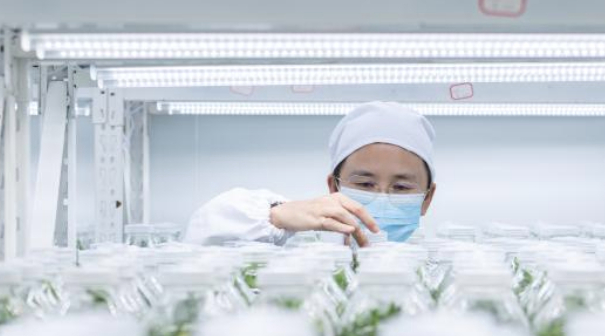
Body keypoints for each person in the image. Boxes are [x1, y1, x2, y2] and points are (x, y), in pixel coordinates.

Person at [183, 102, 437, 247]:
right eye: (365, 183)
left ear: (427, 198)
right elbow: (200, 235)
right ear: (334, 188)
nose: (382, 198)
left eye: (402, 188)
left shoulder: (444, 266)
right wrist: (276, 215)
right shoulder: (302, 250)